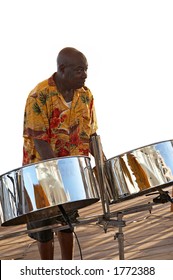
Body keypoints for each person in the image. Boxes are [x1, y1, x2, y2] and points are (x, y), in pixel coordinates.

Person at [22, 47, 98, 260]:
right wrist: (59, 175)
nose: (85, 75)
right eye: (79, 70)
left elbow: (91, 133)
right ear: (62, 69)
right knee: (44, 230)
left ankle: (68, 268)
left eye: (86, 70)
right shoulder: (39, 95)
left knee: (67, 223)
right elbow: (40, 141)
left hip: (72, 171)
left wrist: (101, 162)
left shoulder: (86, 95)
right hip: (42, 172)